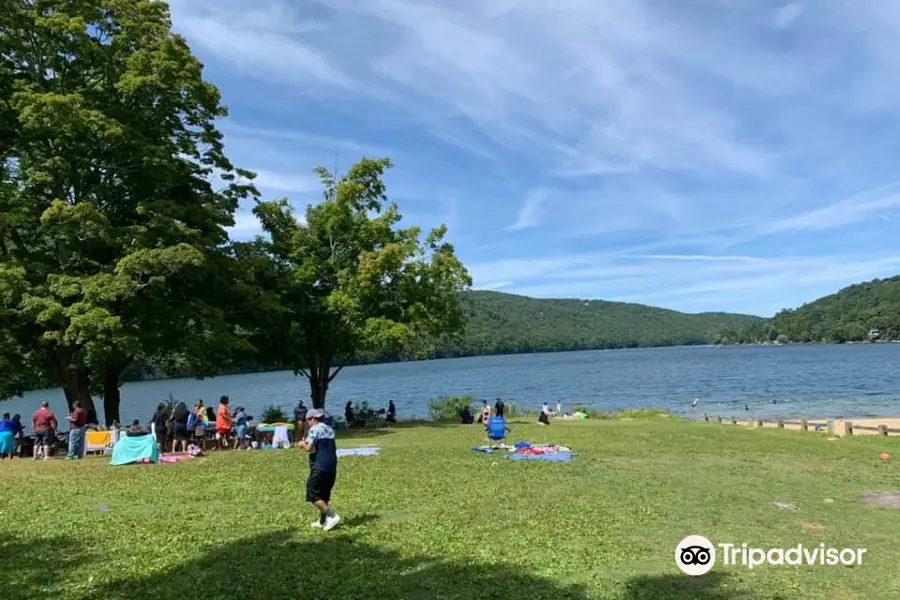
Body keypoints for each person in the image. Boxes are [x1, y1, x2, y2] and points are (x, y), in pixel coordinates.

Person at [297, 409, 341, 531]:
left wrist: (301, 444)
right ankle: (323, 521)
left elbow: (309, 448)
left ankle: (332, 516)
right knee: (324, 494)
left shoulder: (314, 429)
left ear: (313, 419)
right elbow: (321, 446)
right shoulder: (329, 429)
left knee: (313, 494)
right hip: (332, 466)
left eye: (308, 421)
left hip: (320, 466)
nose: (308, 423)